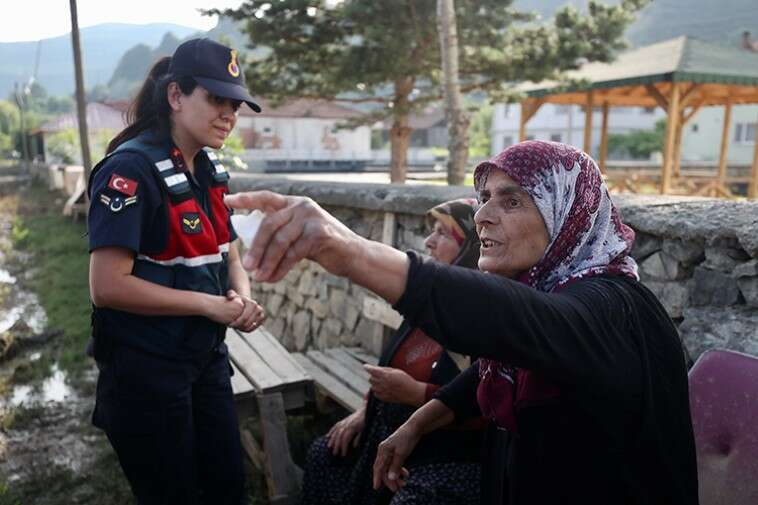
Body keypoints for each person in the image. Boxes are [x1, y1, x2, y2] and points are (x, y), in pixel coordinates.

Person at [224, 140, 699, 505]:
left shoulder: (612, 308)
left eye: (512, 201)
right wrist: (421, 420)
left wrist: (346, 250)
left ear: (567, 213)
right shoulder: (551, 290)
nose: (484, 217)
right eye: (485, 198)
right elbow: (500, 363)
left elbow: (516, 323)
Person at [87, 38, 265, 505]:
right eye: (215, 99)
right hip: (147, 370)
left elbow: (228, 253)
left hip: (203, 360)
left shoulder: (208, 171)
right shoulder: (130, 170)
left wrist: (239, 296)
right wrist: (209, 305)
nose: (229, 114)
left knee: (228, 486)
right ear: (175, 96)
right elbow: (107, 286)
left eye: (235, 104)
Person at [301, 198, 483, 505]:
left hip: (445, 451)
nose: (428, 241)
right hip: (390, 430)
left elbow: (486, 405)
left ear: (470, 247)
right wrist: (363, 412)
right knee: (326, 454)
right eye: (431, 231)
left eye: (442, 233)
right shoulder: (431, 307)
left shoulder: (479, 318)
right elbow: (394, 362)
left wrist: (417, 394)